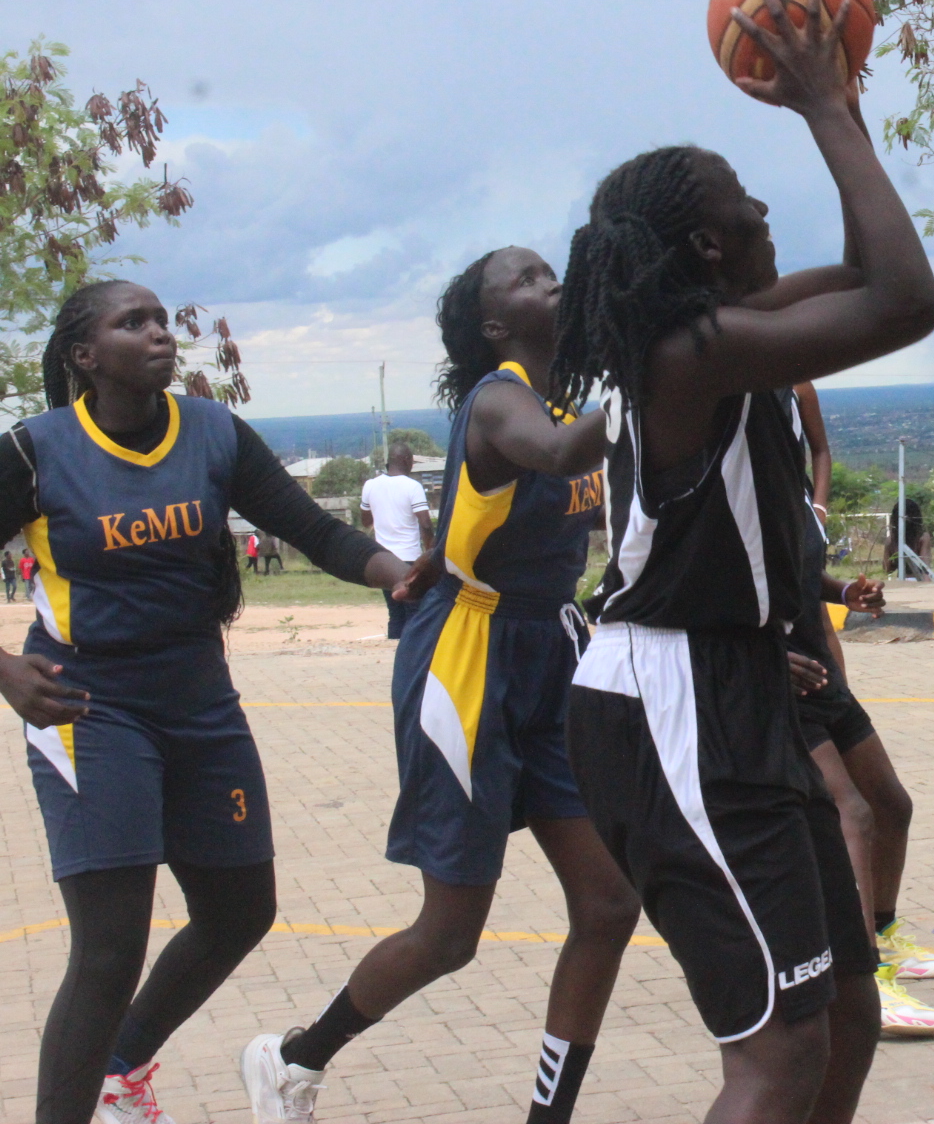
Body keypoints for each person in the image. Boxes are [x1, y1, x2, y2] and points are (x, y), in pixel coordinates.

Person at [550, 0, 934, 1124]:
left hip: (730, 686)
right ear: (705, 249)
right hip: (667, 704)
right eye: (744, 206)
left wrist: (846, 97)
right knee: (774, 1053)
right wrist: (822, 106)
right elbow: (907, 300)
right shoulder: (685, 352)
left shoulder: (728, 335)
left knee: (848, 1010)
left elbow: (879, 281)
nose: (769, 213)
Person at [0, 279, 429, 1124]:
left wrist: (398, 574)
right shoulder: (34, 451)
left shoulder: (214, 432)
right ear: (86, 357)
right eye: (136, 323)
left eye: (162, 319)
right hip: (89, 709)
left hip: (200, 698)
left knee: (241, 909)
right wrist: (6, 669)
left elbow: (316, 529)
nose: (160, 333)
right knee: (110, 949)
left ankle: (122, 1065)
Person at [242, 249, 639, 1123]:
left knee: (610, 900)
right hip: (467, 657)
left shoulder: (569, 390)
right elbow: (567, 451)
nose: (552, 282)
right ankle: (295, 1058)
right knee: (451, 934)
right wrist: (661, 363)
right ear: (496, 326)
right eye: (528, 280)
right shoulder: (501, 399)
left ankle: (549, 1115)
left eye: (549, 268)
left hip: (548, 651)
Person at [788, 383, 934, 1039]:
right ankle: (861, 986)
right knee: (848, 814)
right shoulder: (729, 481)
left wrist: (843, 589)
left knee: (891, 804)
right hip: (778, 674)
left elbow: (796, 574)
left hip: (817, 668)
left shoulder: (789, 488)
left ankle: (881, 932)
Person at [360, 443, 435, 639]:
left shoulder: (370, 485)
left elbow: (366, 520)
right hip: (409, 559)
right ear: (406, 461)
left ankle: (393, 651)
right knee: (415, 612)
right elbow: (425, 524)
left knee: (395, 613)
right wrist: (431, 552)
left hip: (383, 560)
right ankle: (411, 657)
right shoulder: (412, 486)